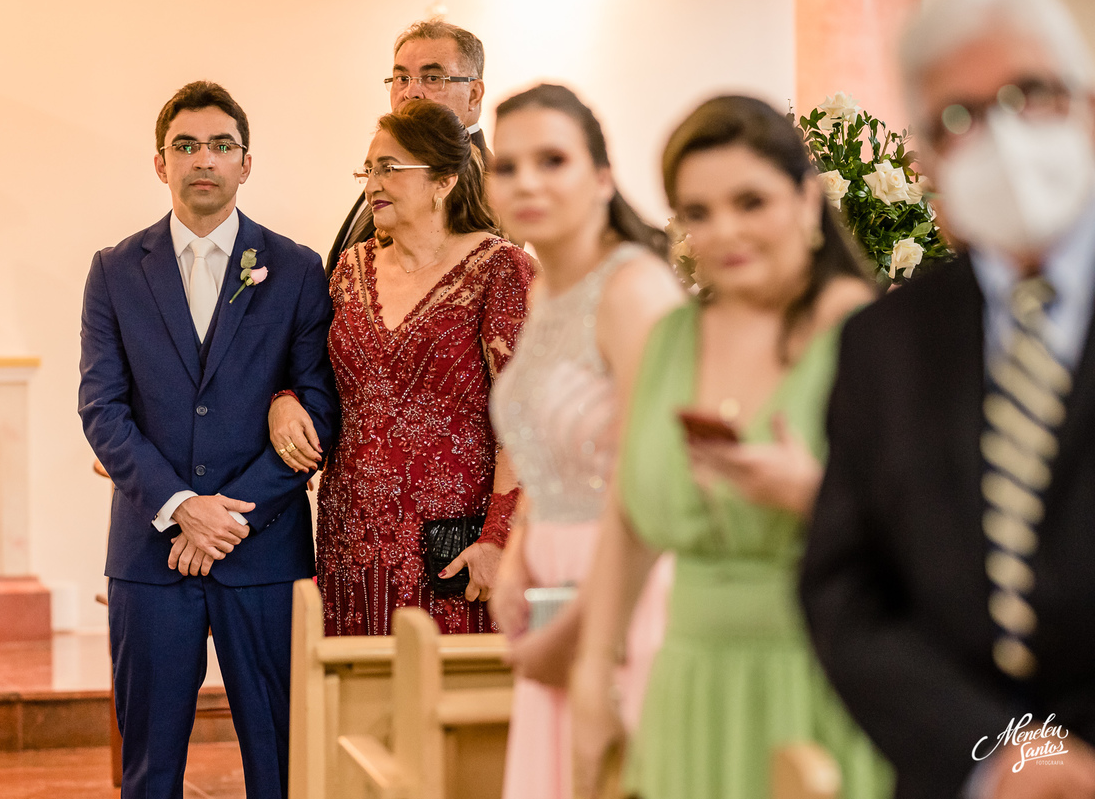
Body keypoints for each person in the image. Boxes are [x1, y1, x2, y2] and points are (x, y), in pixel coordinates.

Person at [801, 0, 1095, 797]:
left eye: (1033, 94)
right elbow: (846, 587)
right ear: (928, 152)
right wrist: (1003, 757)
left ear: (1088, 107)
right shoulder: (884, 344)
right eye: (962, 115)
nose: (1006, 136)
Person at [570, 96, 892, 799]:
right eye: (699, 212)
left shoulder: (870, 336)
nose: (726, 232)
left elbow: (940, 534)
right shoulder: (670, 341)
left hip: (822, 680)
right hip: (689, 681)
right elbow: (627, 515)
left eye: (751, 202)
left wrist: (815, 495)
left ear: (808, 200)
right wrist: (595, 668)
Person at [78, 81, 337, 797]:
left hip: (265, 552)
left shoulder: (294, 268)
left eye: (221, 145)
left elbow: (319, 403)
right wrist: (182, 505)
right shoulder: (113, 271)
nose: (204, 159)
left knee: (283, 766)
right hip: (152, 553)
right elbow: (101, 407)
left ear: (246, 163)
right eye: (185, 145)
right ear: (159, 163)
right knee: (149, 772)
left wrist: (227, 514)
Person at [485, 84, 686, 799]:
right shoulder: (545, 292)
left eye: (552, 159)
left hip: (627, 596)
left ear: (602, 177)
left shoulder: (635, 290)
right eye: (507, 166)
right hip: (553, 584)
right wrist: (516, 558)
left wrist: (581, 640)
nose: (527, 181)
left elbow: (655, 484)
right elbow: (548, 456)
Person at [271, 98, 533, 635]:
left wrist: (497, 538)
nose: (373, 184)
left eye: (390, 169)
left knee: (442, 704)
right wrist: (285, 398)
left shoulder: (501, 270)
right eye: (368, 170)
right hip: (352, 535)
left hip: (454, 546)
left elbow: (528, 420)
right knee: (356, 709)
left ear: (444, 182)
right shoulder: (349, 269)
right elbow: (307, 370)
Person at [324, 19, 490, 282]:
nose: (411, 92)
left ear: (474, 94)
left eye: (433, 78)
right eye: (402, 78)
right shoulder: (392, 163)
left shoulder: (495, 183)